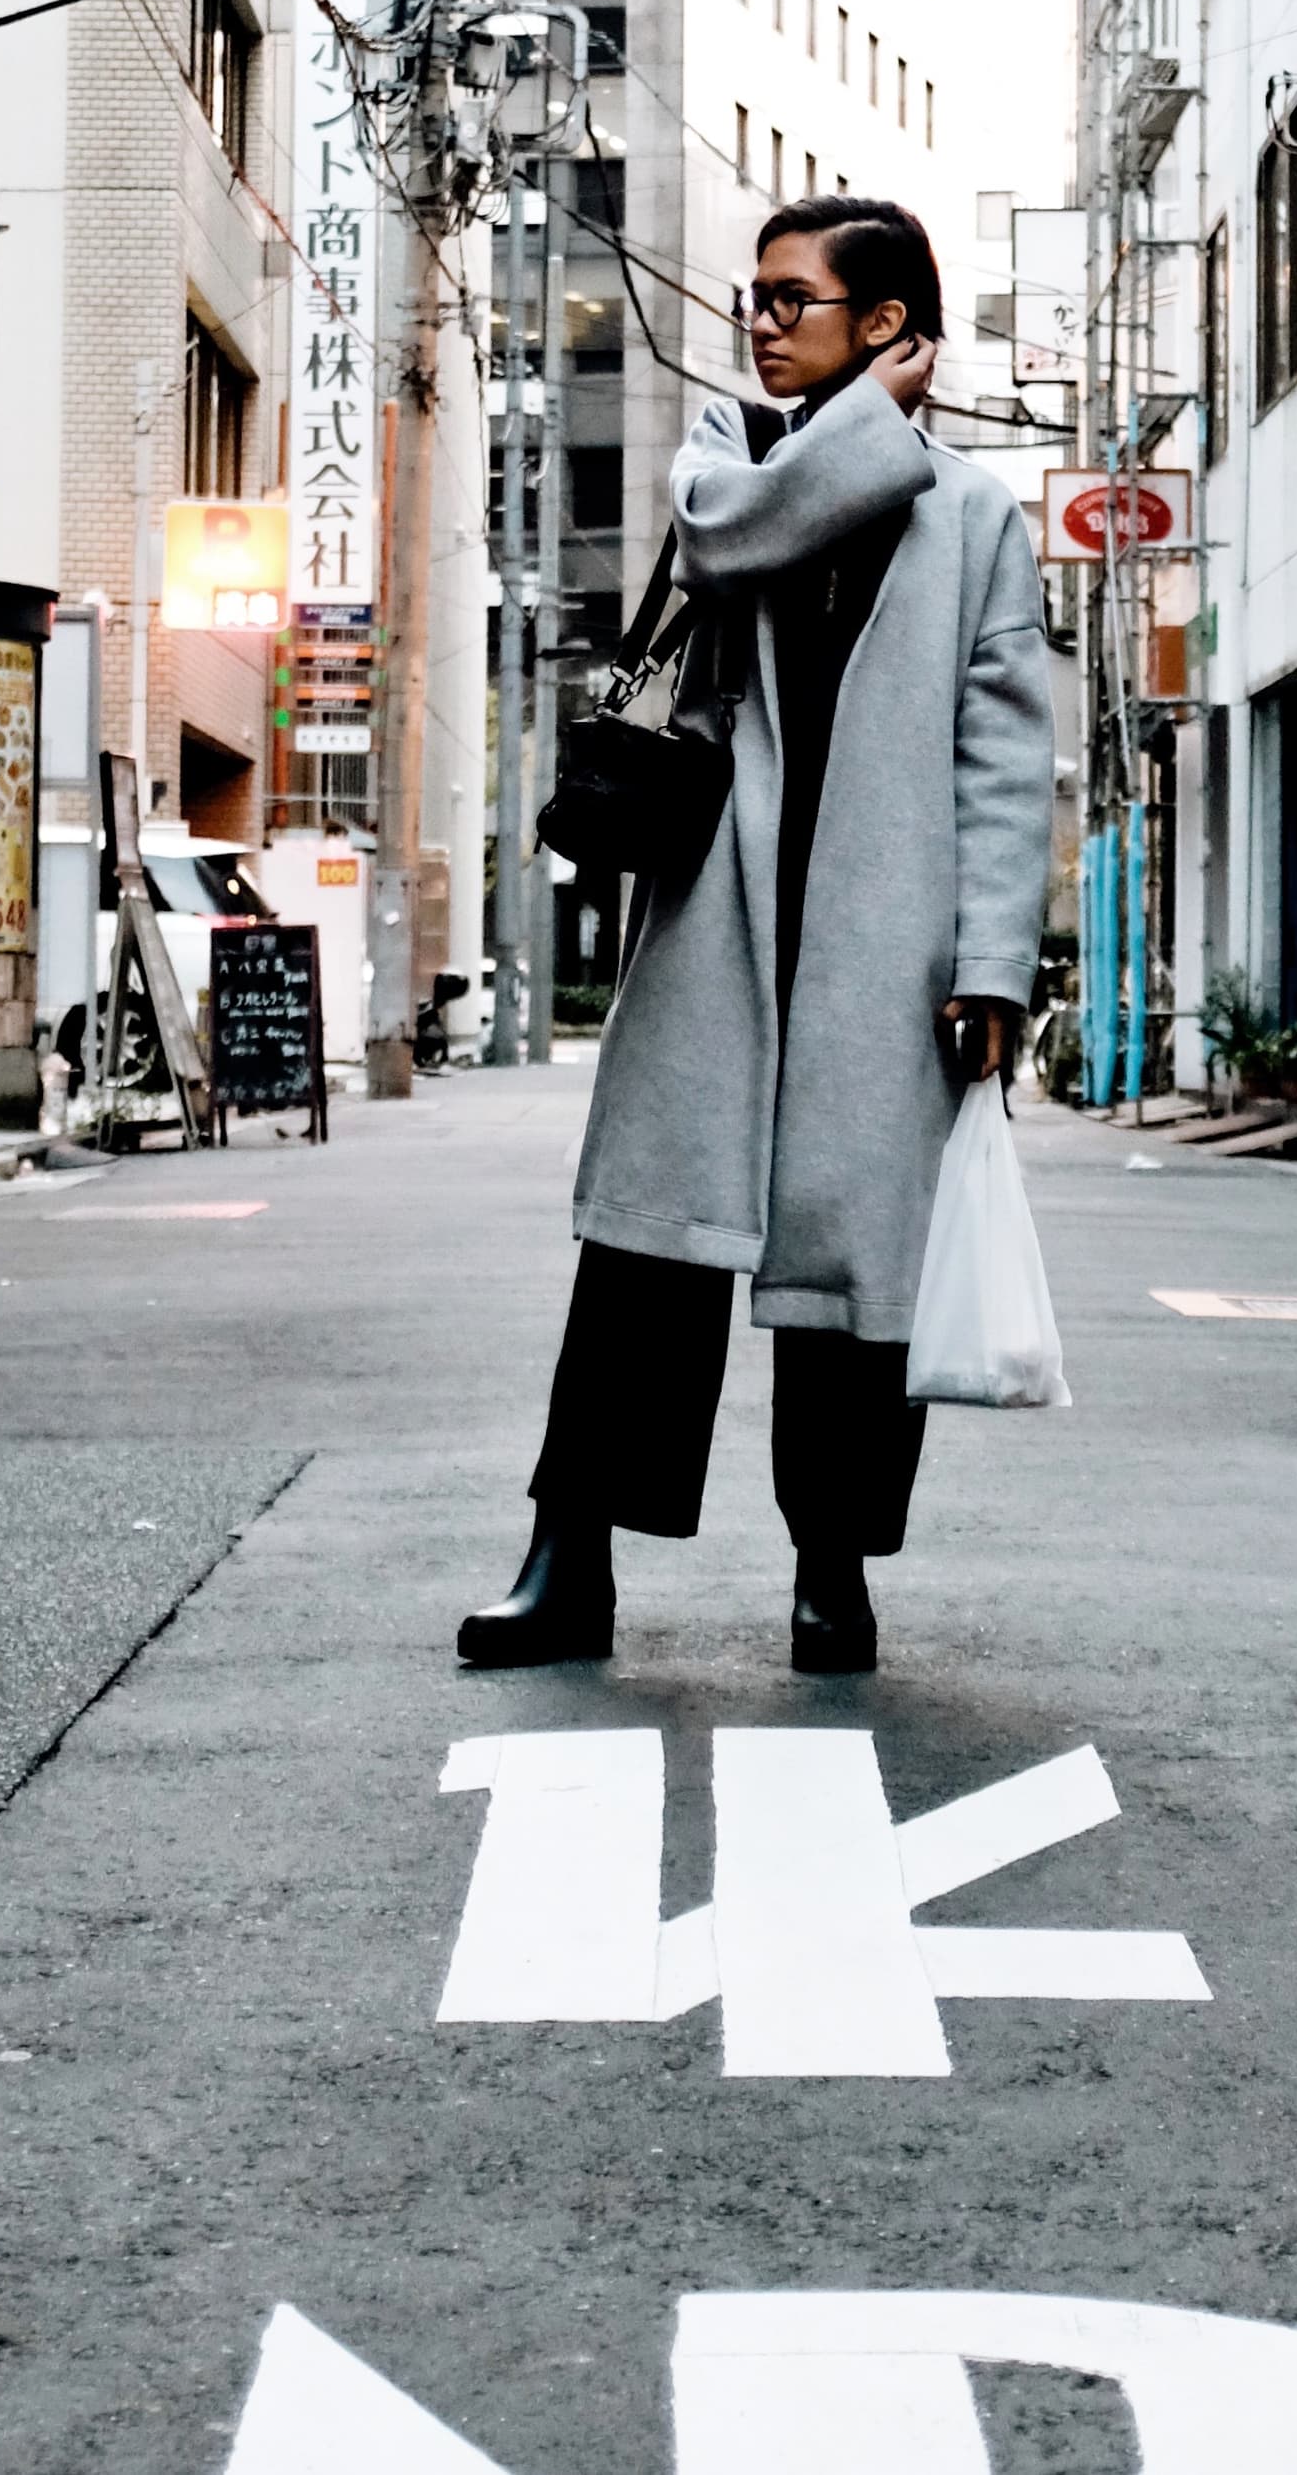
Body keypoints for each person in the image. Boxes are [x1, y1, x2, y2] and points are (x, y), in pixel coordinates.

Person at [459, 192, 1053, 1678]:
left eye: (795, 300)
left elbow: (1002, 756)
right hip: (715, 923)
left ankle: (832, 1573)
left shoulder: (976, 518)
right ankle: (567, 1561)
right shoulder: (728, 458)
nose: (763, 322)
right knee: (641, 1260)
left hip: (884, 949)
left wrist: (994, 963)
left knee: (854, 1285)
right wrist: (870, 425)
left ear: (887, 325)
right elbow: (729, 543)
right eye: (759, 298)